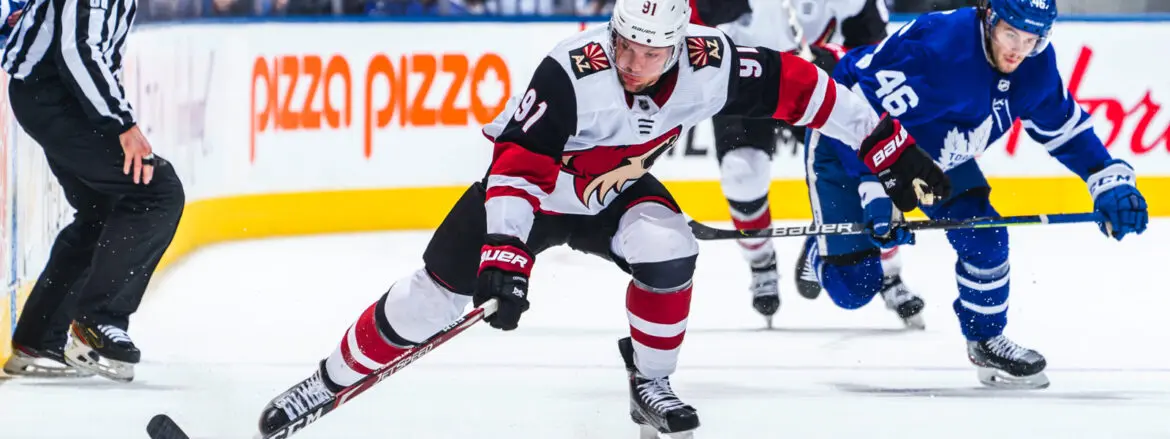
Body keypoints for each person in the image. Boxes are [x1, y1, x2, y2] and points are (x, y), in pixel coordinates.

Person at [254, 0, 950, 436]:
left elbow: (811, 93)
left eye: (649, 52)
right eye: (624, 44)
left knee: (671, 248)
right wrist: (505, 258)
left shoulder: (715, 62)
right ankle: (326, 379)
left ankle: (650, 380)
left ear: (680, 44)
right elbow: (518, 166)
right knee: (427, 299)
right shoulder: (570, 70)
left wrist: (891, 149)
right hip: (528, 193)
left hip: (610, 191)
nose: (631, 61)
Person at [795, 0, 1148, 389]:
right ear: (988, 17)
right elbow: (859, 111)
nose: (1018, 49)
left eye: (1031, 39)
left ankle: (985, 340)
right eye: (1010, 33)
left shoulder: (1035, 64)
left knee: (986, 236)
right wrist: (876, 194)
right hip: (845, 141)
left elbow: (1065, 129)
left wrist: (1107, 179)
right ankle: (822, 244)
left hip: (934, 150)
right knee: (854, 289)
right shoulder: (939, 47)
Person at [691, 0, 920, 327]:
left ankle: (886, 268)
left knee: (859, 161)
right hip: (745, 76)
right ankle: (761, 262)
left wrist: (839, 63)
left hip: (813, 76)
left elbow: (871, 47)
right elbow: (693, 18)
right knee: (742, 172)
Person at [0, 0, 185, 382]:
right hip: (53, 98)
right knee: (157, 190)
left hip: (52, 96)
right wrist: (121, 123)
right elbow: (78, 49)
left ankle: (39, 339)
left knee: (105, 208)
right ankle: (97, 323)